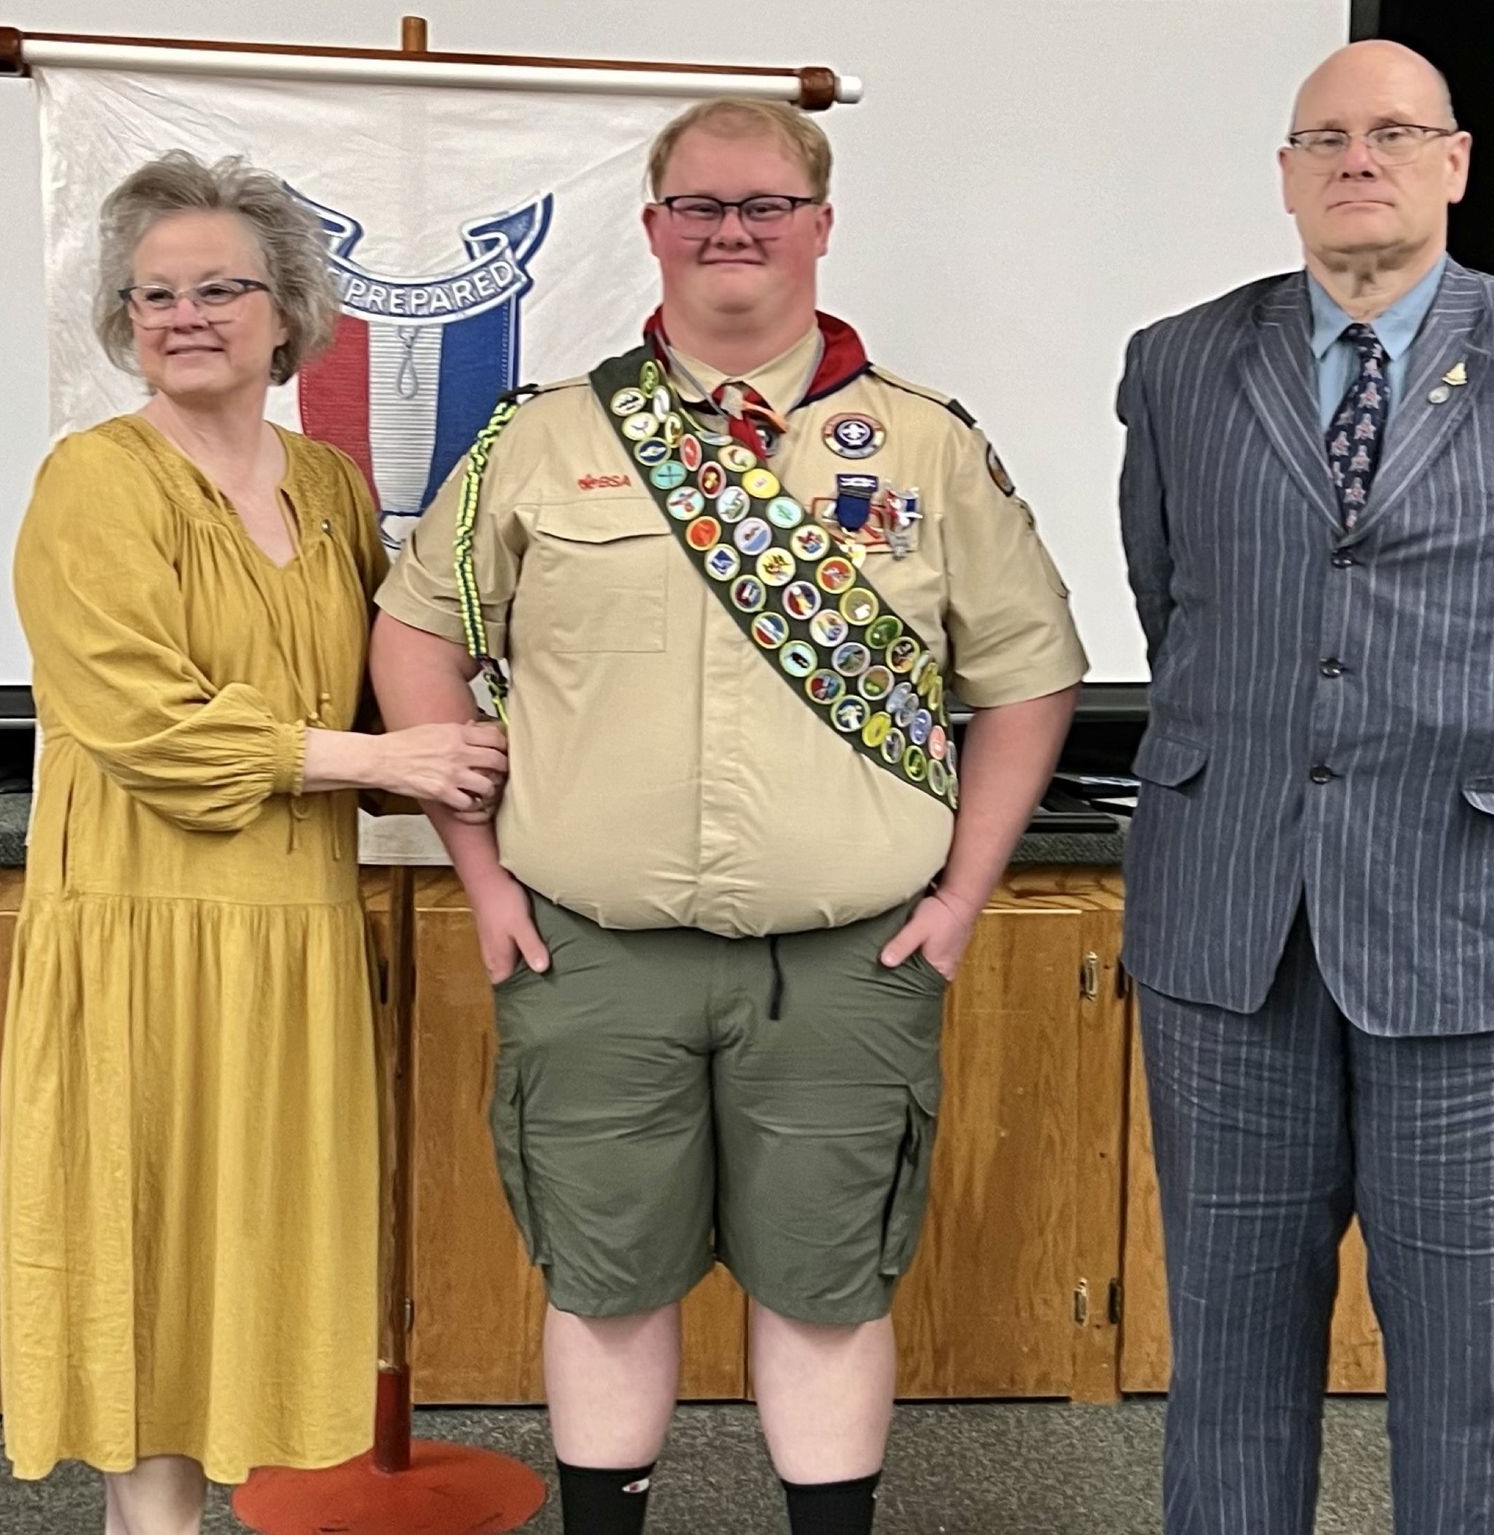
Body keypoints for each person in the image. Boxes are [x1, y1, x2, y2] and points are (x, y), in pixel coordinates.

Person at [368, 98, 1086, 1535]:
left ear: (820, 225)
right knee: (605, 1278)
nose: (732, 231)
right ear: (653, 228)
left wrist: (964, 897)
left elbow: (1026, 679)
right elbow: (416, 634)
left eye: (764, 204)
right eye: (700, 206)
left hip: (849, 958)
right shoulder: (543, 437)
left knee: (826, 1290)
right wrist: (484, 876)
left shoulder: (929, 447)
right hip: (591, 950)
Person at [1114, 41, 1494, 1534]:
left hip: (1482, 925)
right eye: (1323, 138)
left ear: (1457, 161)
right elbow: (1173, 601)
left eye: (1390, 132)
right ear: (1289, 177)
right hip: (1231, 928)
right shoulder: (1179, 359)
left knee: (1469, 1365)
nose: (1355, 159)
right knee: (1228, 1356)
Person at [0, 150, 507, 1535]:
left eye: (220, 287)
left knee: (249, 1263)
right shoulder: (92, 482)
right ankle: (147, 1522)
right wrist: (376, 758)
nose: (184, 316)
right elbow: (140, 721)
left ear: (288, 312)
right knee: (144, 1253)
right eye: (153, 294)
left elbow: (374, 685)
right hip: (143, 932)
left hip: (289, 939)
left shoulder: (332, 485)